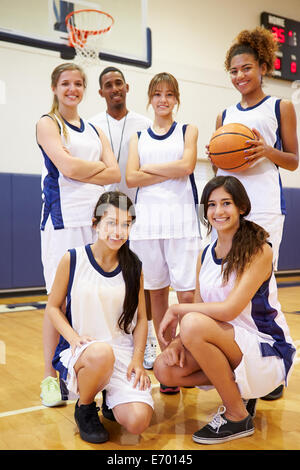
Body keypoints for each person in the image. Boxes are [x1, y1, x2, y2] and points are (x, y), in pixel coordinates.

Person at [154, 175, 296, 444]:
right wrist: (177, 344)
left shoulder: (260, 249)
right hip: (227, 344)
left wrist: (176, 311)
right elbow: (201, 305)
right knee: (164, 369)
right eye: (211, 205)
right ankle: (241, 390)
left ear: (241, 207)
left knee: (192, 323)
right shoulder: (205, 254)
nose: (218, 211)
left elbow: (229, 310)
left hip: (267, 349)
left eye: (226, 203)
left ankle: (236, 414)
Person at [212, 27, 298, 400]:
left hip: (263, 204)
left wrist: (267, 150)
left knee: (262, 286)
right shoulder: (224, 114)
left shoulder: (281, 106)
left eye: (246, 68)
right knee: (229, 284)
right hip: (228, 208)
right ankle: (239, 360)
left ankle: (275, 360)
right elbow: (219, 166)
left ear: (263, 67)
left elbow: (293, 161)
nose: (240, 76)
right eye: (233, 71)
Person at [36, 63, 121, 407]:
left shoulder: (96, 130)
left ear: (85, 89)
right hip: (61, 222)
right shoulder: (48, 123)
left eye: (78, 84)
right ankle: (49, 376)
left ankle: (83, 367)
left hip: (93, 222)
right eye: (65, 83)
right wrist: (95, 171)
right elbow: (67, 167)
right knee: (58, 301)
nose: (72, 89)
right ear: (55, 87)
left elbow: (114, 173)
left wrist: (87, 170)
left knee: (90, 298)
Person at [46, 191, 153, 444]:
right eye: (111, 223)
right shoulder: (72, 259)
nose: (119, 231)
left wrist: (138, 359)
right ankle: (85, 407)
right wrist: (73, 339)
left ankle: (111, 399)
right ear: (95, 224)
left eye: (126, 224)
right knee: (101, 353)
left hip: (121, 351)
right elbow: (52, 308)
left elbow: (141, 320)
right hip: (86, 351)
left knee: (138, 421)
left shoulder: (134, 266)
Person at [126, 72, 201, 394]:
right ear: (149, 98)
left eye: (169, 94)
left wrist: (149, 171)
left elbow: (187, 166)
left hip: (183, 220)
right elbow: (130, 178)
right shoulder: (137, 137)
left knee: (186, 295)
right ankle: (168, 355)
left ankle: (191, 352)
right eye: (157, 94)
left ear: (177, 99)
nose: (163, 100)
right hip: (147, 223)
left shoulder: (188, 130)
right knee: (156, 292)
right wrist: (168, 169)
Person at [89, 66, 156, 370]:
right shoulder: (91, 126)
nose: (114, 88)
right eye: (108, 85)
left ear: (127, 87)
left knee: (146, 278)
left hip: (137, 211)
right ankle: (102, 337)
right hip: (103, 214)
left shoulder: (145, 124)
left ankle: (149, 337)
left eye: (119, 83)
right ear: (101, 92)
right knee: (102, 279)